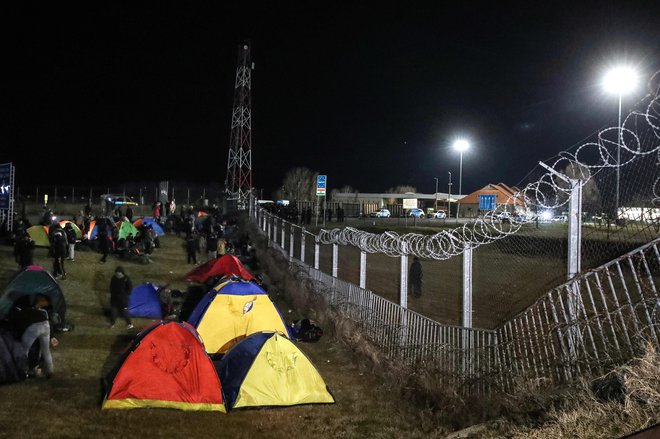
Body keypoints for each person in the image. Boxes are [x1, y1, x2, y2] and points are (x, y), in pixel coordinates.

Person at [14, 295, 58, 378]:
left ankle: (24, 371)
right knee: (46, 350)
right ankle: (49, 371)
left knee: (24, 350)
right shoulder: (41, 311)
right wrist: (52, 336)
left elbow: (21, 326)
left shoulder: (22, 312)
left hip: (34, 327)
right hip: (46, 326)